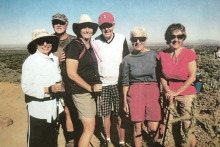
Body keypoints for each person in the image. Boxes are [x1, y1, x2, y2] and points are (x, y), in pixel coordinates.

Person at [64, 14, 102, 147]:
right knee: (89, 128)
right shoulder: (75, 46)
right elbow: (71, 73)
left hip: (88, 92)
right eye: (84, 27)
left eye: (90, 27)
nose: (87, 30)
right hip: (81, 91)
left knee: (88, 127)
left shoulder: (88, 46)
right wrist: (90, 88)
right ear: (79, 30)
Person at [157, 23, 197, 147]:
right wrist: (168, 90)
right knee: (173, 125)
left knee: (187, 126)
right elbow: (161, 76)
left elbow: (192, 77)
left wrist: (177, 92)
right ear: (168, 38)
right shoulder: (162, 55)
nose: (176, 39)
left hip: (187, 94)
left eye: (179, 36)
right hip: (170, 93)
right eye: (172, 36)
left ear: (183, 38)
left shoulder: (189, 53)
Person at [21, 29, 64, 147]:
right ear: (36, 44)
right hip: (38, 111)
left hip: (54, 110)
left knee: (51, 142)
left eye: (48, 41)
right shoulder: (30, 62)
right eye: (41, 42)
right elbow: (26, 88)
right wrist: (48, 89)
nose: (45, 44)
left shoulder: (54, 60)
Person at [93, 12, 129, 147]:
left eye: (109, 25)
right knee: (105, 115)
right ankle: (107, 140)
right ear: (99, 27)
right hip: (103, 85)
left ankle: (121, 141)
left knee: (120, 115)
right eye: (103, 26)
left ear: (113, 25)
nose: (106, 29)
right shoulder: (94, 41)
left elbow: (126, 60)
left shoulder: (121, 38)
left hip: (119, 84)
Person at [122, 26, 161, 147]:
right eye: (134, 39)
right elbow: (125, 81)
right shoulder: (127, 59)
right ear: (131, 40)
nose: (138, 42)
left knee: (153, 127)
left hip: (152, 90)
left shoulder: (154, 55)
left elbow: (161, 76)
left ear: (146, 39)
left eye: (141, 39)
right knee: (137, 127)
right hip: (135, 91)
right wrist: (125, 101)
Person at [52, 13, 76, 147]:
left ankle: (71, 141)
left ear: (66, 24)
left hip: (69, 85)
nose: (58, 25)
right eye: (56, 23)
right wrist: (57, 61)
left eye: (61, 22)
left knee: (69, 113)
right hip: (52, 85)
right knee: (53, 115)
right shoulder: (47, 41)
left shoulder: (74, 40)